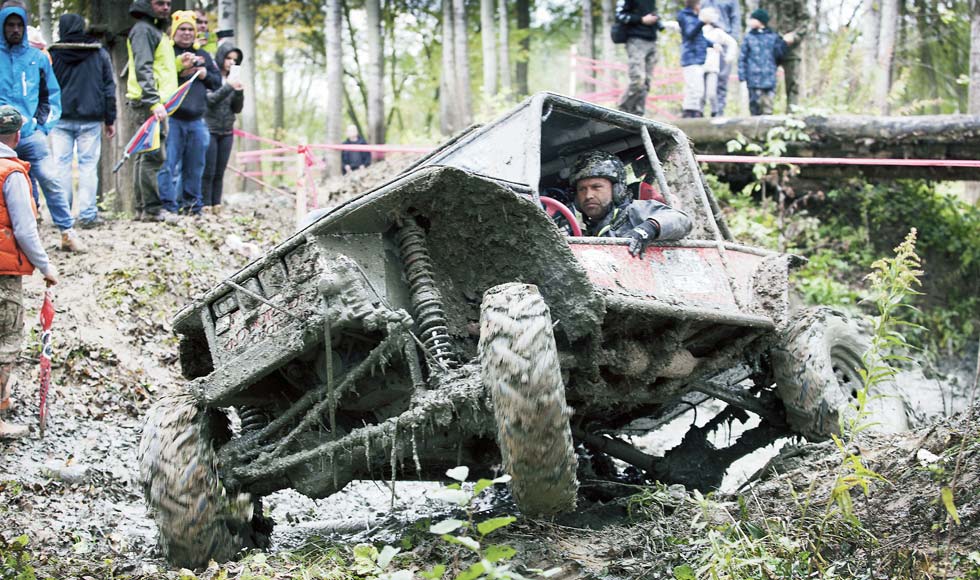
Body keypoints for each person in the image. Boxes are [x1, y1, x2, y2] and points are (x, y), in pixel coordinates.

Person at [0, 4, 86, 252]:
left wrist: (42, 125)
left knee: (50, 178)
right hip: (0, 138)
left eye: (19, 25)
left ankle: (67, 232)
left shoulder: (37, 58)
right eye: (9, 25)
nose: (15, 30)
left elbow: (50, 96)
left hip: (30, 135)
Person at [0, 105, 58, 439]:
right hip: (3, 274)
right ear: (18, 135)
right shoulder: (12, 173)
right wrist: (46, 267)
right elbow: (24, 229)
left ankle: (5, 400)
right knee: (5, 341)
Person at [49, 13, 117, 229]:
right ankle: (88, 215)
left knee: (61, 165)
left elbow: (45, 87)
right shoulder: (99, 53)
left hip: (60, 118)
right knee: (88, 166)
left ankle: (62, 216)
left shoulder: (53, 54)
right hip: (90, 118)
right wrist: (110, 118)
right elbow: (109, 87)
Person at [570, 151, 692, 256]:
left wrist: (648, 228)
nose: (588, 195)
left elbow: (681, 220)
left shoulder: (634, 210)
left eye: (596, 187)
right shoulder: (590, 230)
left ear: (616, 190)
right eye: (582, 189)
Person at [158, 10, 220, 216]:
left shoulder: (203, 55)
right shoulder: (168, 54)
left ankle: (192, 205)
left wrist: (203, 73)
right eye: (182, 29)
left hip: (197, 120)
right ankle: (168, 205)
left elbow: (217, 81)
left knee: (195, 166)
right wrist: (180, 69)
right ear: (174, 31)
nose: (186, 33)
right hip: (173, 118)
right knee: (168, 164)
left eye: (189, 29)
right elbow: (161, 78)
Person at [125, 0, 179, 223]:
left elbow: (160, 67)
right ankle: (152, 210)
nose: (165, 7)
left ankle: (143, 209)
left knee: (145, 156)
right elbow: (143, 67)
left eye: (168, 3)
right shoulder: (143, 30)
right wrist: (153, 101)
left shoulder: (155, 30)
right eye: (159, 3)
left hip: (155, 102)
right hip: (150, 104)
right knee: (153, 156)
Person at [202, 42, 243, 214]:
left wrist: (239, 92)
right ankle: (204, 205)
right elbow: (210, 100)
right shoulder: (212, 78)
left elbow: (237, 108)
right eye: (228, 58)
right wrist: (228, 87)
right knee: (208, 170)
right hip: (209, 128)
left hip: (227, 130)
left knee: (220, 171)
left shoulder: (234, 81)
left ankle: (216, 205)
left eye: (234, 60)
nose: (231, 63)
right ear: (221, 58)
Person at [615, 0, 664, 117]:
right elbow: (619, 16)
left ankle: (638, 114)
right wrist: (641, 19)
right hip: (636, 41)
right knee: (638, 80)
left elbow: (651, 14)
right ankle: (621, 112)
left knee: (646, 82)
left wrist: (656, 20)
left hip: (652, 41)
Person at [738, 9, 787, 116]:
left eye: (753, 19)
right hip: (753, 79)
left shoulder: (773, 37)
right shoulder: (748, 38)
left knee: (768, 107)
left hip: (769, 78)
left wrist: (783, 44)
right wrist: (742, 76)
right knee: (755, 107)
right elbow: (742, 58)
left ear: (761, 21)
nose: (750, 21)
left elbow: (779, 55)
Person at [700, 0, 741, 116]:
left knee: (721, 79)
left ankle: (719, 112)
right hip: (705, 39)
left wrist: (731, 43)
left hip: (723, 39)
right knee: (700, 81)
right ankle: (699, 112)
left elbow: (735, 19)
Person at [767, 0, 808, 109]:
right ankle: (764, 117)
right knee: (765, 83)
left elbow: (804, 21)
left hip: (791, 46)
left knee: (792, 84)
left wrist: (795, 36)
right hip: (769, 44)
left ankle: (792, 116)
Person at [677, 0, 713, 118]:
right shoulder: (685, 16)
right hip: (690, 57)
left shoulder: (694, 17)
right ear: (696, 5)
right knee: (694, 88)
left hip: (697, 57)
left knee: (697, 88)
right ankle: (690, 113)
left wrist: (712, 44)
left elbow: (699, 38)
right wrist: (701, 22)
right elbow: (689, 34)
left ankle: (695, 112)